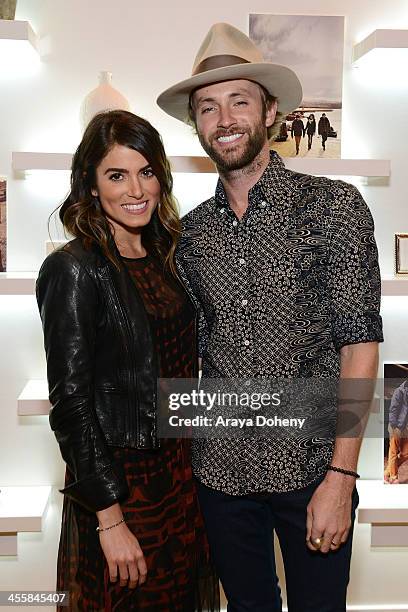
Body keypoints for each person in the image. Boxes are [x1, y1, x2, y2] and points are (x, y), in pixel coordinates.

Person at [157, 22, 383, 612]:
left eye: (239, 101)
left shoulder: (333, 206)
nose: (224, 118)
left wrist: (342, 478)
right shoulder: (191, 235)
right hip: (220, 473)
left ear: (271, 110)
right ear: (196, 123)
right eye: (208, 106)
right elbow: (193, 352)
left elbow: (360, 347)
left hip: (314, 468)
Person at [36, 110, 220, 612]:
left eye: (146, 171)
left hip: (182, 478)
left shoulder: (169, 256)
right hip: (124, 489)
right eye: (116, 175)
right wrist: (110, 520)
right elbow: (71, 406)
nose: (135, 189)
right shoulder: (73, 269)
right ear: (91, 186)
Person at [384, 380, 408, 483]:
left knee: (406, 453)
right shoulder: (399, 391)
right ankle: (394, 478)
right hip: (396, 427)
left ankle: (387, 472)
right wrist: (395, 427)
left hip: (405, 428)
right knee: (393, 452)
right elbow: (393, 410)